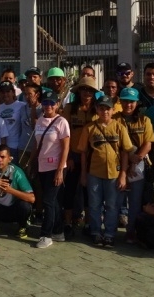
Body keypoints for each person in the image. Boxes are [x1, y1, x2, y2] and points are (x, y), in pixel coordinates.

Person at [78, 97, 132, 247]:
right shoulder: (89, 128)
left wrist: (123, 174)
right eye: (101, 108)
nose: (105, 111)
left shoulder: (119, 127)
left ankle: (109, 233)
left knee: (112, 205)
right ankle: (95, 232)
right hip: (94, 172)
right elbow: (83, 152)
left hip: (114, 173)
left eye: (108, 108)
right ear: (97, 109)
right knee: (94, 204)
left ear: (113, 110)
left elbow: (125, 152)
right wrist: (83, 174)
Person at [28, 91, 70, 249]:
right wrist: (31, 162)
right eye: (45, 103)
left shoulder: (61, 122)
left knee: (47, 201)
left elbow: (66, 148)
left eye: (52, 103)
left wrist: (60, 170)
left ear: (57, 104)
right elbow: (37, 145)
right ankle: (58, 232)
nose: (48, 106)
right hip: (42, 166)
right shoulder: (39, 120)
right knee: (53, 202)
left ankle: (46, 235)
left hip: (56, 167)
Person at [114, 87, 154, 244]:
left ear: (137, 103)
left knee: (135, 201)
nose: (128, 105)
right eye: (125, 101)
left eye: (131, 102)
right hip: (117, 165)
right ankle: (111, 230)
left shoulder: (144, 120)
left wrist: (134, 160)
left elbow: (148, 144)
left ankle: (131, 231)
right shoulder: (114, 119)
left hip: (138, 167)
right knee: (116, 200)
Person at [61, 76, 100, 236]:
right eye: (84, 89)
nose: (87, 93)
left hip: (92, 157)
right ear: (79, 91)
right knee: (69, 190)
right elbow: (64, 134)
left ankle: (88, 224)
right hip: (74, 156)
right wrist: (68, 156)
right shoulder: (70, 108)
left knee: (88, 192)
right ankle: (68, 223)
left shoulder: (97, 110)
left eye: (90, 90)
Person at [0, 145, 35, 238]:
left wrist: (10, 190)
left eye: (2, 157)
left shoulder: (17, 172)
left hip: (13, 210)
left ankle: (23, 226)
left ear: (9, 159)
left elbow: (32, 198)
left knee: (25, 205)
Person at [12, 83, 42, 167]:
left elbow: (35, 127)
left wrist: (33, 108)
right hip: (23, 146)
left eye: (30, 94)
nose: (27, 97)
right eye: (25, 94)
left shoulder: (42, 109)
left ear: (37, 94)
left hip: (35, 148)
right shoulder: (22, 108)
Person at [0, 81, 24, 158]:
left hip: (16, 146)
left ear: (13, 92)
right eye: (3, 92)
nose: (5, 94)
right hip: (1, 146)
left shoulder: (22, 105)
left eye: (8, 91)